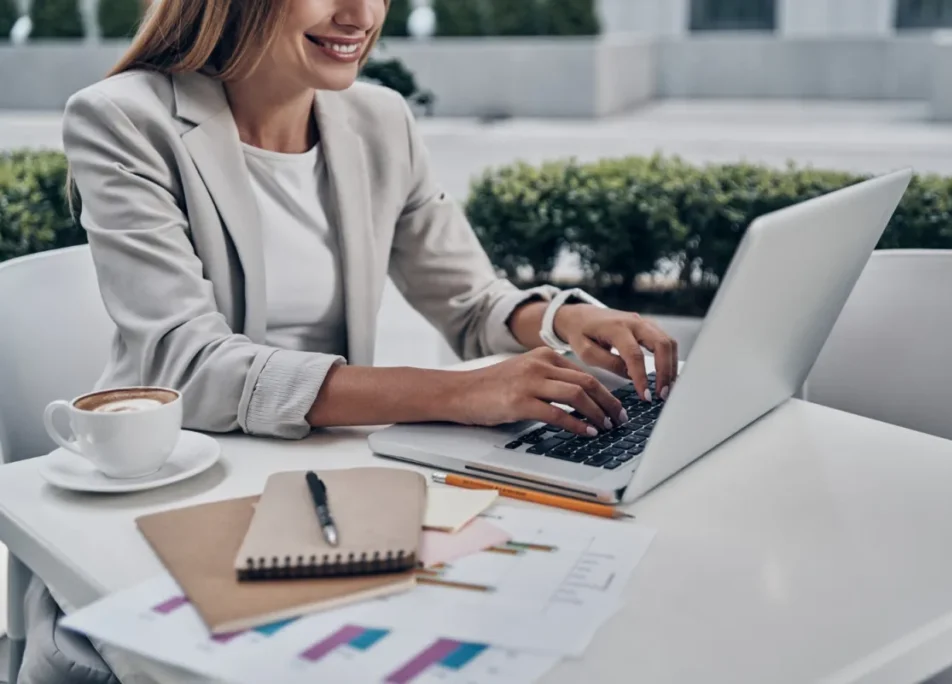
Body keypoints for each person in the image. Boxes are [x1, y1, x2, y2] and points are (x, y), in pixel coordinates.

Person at [23, 0, 678, 681]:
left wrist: (560, 320)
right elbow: (188, 364)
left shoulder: (380, 119)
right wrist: (458, 395)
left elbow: (469, 298)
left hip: (328, 496)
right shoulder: (124, 118)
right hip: (178, 503)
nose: (361, 15)